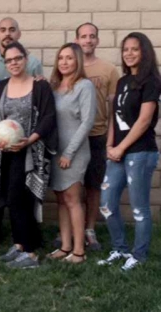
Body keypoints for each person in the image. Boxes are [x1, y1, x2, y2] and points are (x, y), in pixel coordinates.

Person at [0, 42, 57, 269]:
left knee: (22, 200)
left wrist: (31, 139)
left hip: (30, 153)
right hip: (5, 153)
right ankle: (19, 244)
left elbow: (48, 117)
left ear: (26, 59)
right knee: (11, 199)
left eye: (17, 58)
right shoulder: (0, 88)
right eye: (9, 60)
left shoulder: (40, 87)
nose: (13, 63)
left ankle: (30, 253)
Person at [97, 32, 160, 271]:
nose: (129, 53)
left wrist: (122, 148)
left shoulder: (151, 81)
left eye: (135, 49)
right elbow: (115, 118)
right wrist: (109, 146)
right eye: (126, 49)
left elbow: (144, 121)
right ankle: (119, 249)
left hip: (140, 153)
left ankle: (139, 255)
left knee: (139, 208)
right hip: (117, 152)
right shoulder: (123, 82)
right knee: (107, 204)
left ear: (144, 52)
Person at [47, 43, 97, 264]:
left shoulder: (84, 86)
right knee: (61, 199)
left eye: (69, 58)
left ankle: (78, 251)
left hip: (74, 152)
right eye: (61, 58)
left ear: (77, 60)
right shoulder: (55, 87)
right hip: (56, 152)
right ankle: (65, 246)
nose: (64, 62)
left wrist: (69, 152)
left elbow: (87, 122)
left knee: (73, 199)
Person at [74, 22, 120, 251]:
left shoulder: (109, 70)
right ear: (77, 41)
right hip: (73, 138)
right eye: (84, 36)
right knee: (73, 186)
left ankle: (90, 230)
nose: (88, 40)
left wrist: (111, 139)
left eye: (92, 36)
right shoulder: (70, 67)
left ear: (98, 40)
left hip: (97, 135)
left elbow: (114, 109)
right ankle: (73, 229)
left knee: (93, 186)